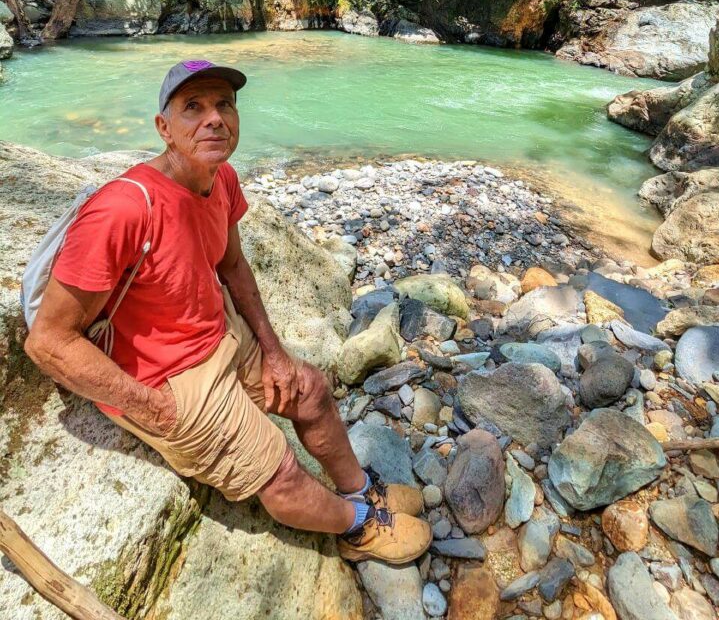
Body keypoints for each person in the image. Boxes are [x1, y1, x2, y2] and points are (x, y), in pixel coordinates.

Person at [25, 58, 431, 563]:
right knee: (279, 471)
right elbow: (47, 342)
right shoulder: (123, 210)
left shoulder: (221, 180)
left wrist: (275, 351)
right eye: (193, 107)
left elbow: (234, 265)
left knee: (312, 391)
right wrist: (154, 409)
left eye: (224, 105)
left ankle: (358, 490)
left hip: (218, 336)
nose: (213, 118)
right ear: (164, 129)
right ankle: (360, 528)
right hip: (165, 378)